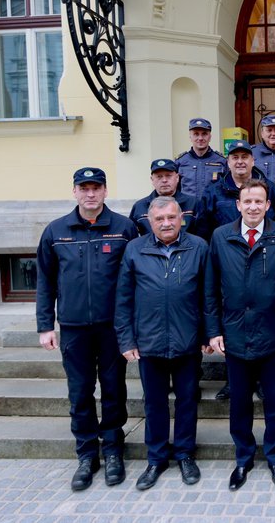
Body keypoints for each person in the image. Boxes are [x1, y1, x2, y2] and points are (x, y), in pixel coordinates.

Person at [35, 167, 138, 491]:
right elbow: (45, 281)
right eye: (84, 188)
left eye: (96, 188)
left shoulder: (124, 229)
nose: (90, 194)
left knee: (113, 391)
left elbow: (137, 277)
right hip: (74, 328)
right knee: (79, 393)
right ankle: (86, 455)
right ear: (75, 191)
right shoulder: (56, 231)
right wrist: (44, 326)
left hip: (112, 328)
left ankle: (112, 450)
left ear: (105, 191)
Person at [205, 179, 275, 491]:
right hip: (234, 334)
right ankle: (243, 457)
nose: (252, 207)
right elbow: (209, 289)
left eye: (258, 202)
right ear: (238, 204)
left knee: (274, 401)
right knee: (240, 403)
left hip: (273, 335)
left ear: (267, 205)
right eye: (247, 201)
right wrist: (213, 331)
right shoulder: (221, 236)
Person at [115, 196, 210, 490]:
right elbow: (123, 299)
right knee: (154, 404)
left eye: (172, 217)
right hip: (149, 342)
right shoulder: (135, 249)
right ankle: (155, 458)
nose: (167, 223)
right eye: (160, 219)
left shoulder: (198, 247)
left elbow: (208, 296)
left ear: (181, 218)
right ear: (150, 221)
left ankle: (184, 454)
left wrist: (208, 335)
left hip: (188, 341)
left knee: (186, 402)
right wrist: (126, 339)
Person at [196, 140, 275, 400]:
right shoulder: (214, 191)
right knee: (234, 324)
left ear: (252, 161)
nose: (239, 161)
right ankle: (233, 382)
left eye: (244, 157)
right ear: (228, 162)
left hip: (264, 258)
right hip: (227, 262)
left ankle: (260, 381)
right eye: (234, 157)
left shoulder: (269, 189)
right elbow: (202, 227)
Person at [129, 158, 198, 236]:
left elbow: (203, 235)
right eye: (159, 177)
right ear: (152, 180)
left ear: (177, 178)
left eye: (168, 176)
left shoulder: (193, 204)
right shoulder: (140, 206)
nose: (164, 180)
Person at [175, 117, 228, 199]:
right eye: (196, 134)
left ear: (210, 137)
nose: (200, 138)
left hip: (213, 210)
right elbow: (175, 190)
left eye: (204, 134)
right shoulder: (180, 162)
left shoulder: (222, 161)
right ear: (190, 137)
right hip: (188, 210)